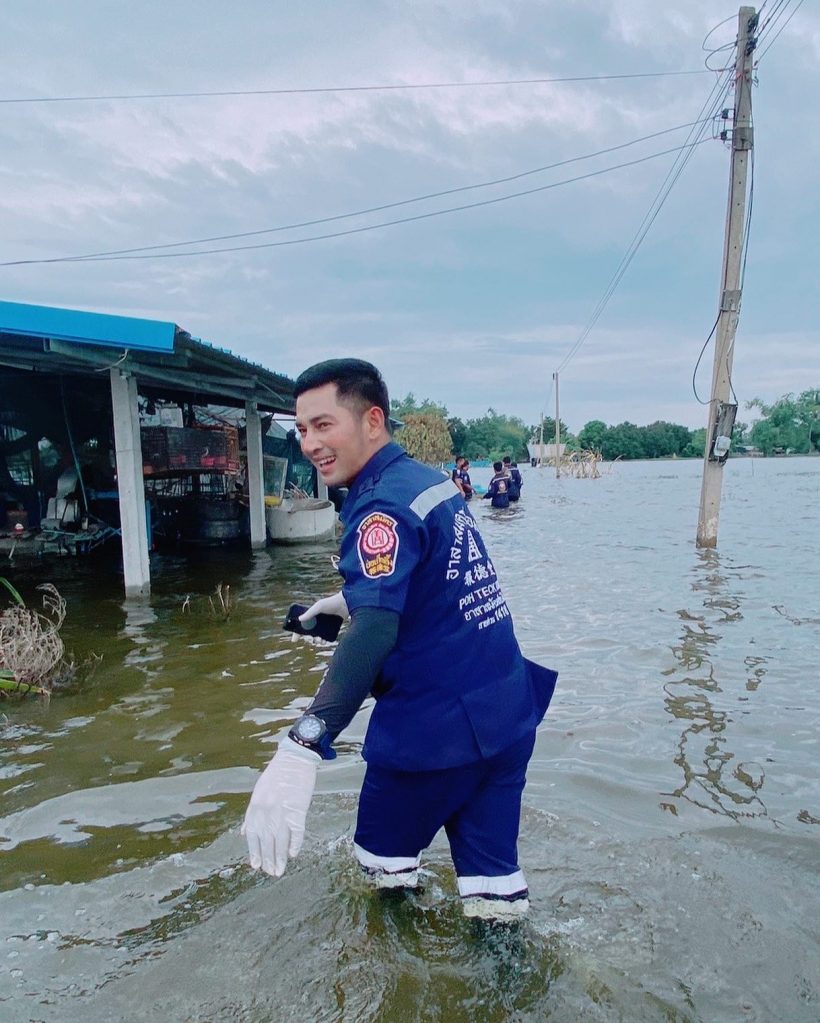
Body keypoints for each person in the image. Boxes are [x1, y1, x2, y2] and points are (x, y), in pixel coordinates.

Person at [243, 359, 557, 919]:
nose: (311, 443)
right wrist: (352, 599)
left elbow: (378, 629)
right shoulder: (429, 481)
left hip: (433, 736)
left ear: (372, 421)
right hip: (507, 716)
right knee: (495, 892)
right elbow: (445, 579)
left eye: (323, 425)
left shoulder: (379, 504)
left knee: (381, 876)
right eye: (302, 430)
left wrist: (304, 742)